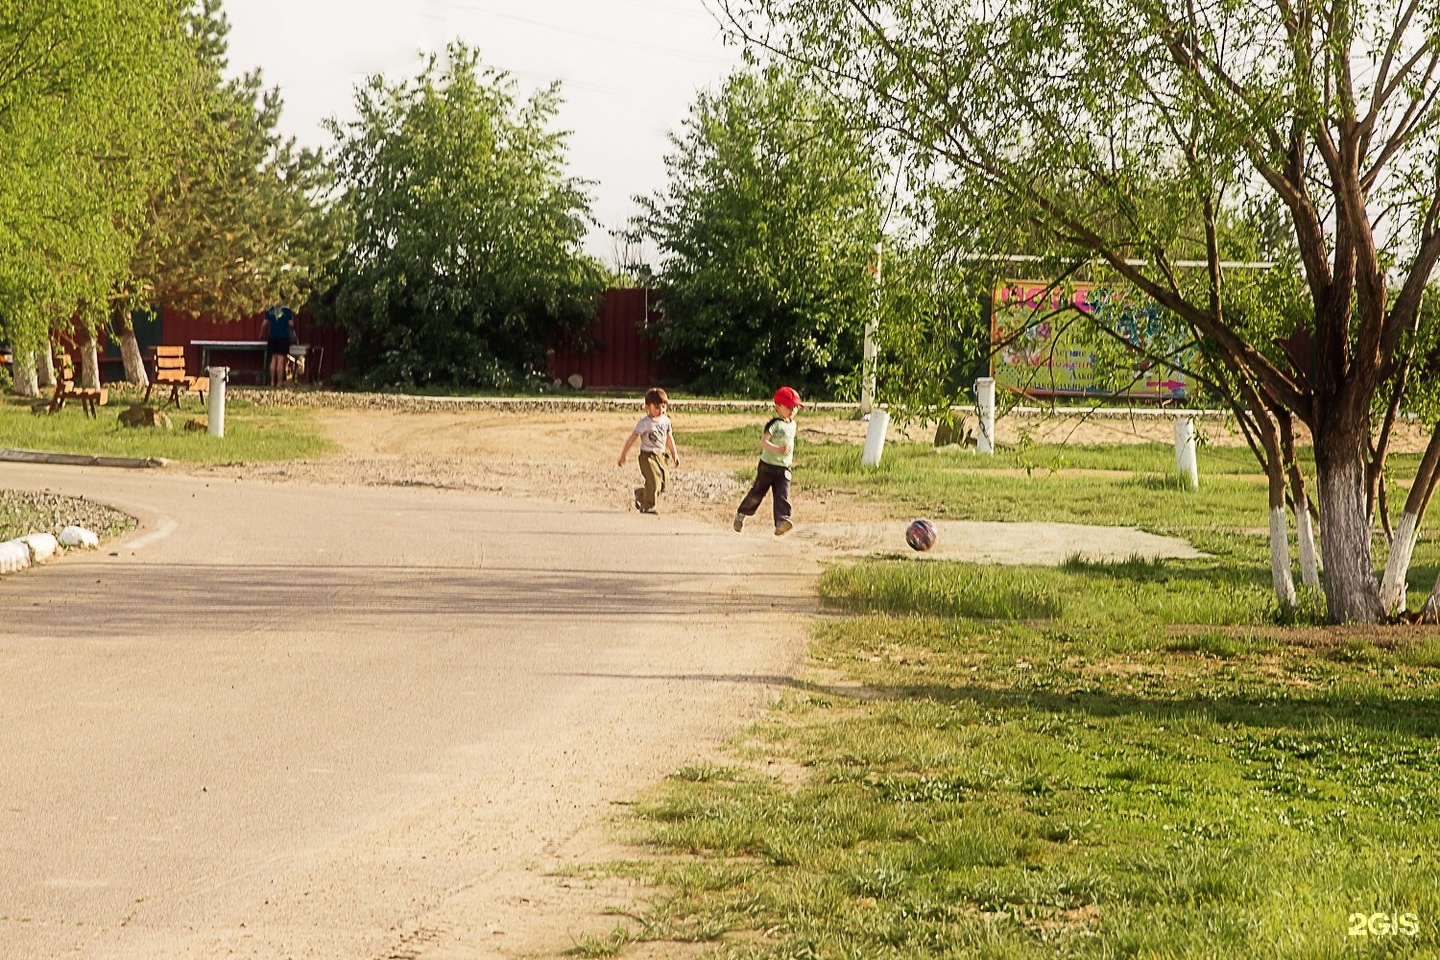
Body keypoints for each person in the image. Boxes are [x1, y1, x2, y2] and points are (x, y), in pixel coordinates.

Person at [734, 386, 802, 536]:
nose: (792, 410)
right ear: (777, 407)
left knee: (783, 494)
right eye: (789, 407)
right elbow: (763, 442)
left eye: (795, 407)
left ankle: (782, 521)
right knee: (757, 493)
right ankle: (741, 513)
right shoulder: (774, 424)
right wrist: (777, 449)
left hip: (784, 467)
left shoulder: (793, 424)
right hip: (767, 466)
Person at [617, 387, 679, 514]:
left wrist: (674, 454)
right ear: (647, 407)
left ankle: (641, 494)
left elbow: (669, 437)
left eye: (663, 406)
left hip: (661, 456)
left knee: (663, 484)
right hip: (647, 456)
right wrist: (623, 455)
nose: (661, 410)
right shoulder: (644, 423)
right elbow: (631, 439)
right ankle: (649, 505)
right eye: (657, 407)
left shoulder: (666, 421)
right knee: (653, 481)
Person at [261, 305, 297, 387]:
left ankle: (272, 382)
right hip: (283, 337)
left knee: (273, 359)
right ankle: (279, 383)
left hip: (272, 336)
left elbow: (264, 323)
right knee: (280, 359)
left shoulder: (270, 310)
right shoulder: (287, 310)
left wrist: (262, 333)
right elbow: (291, 324)